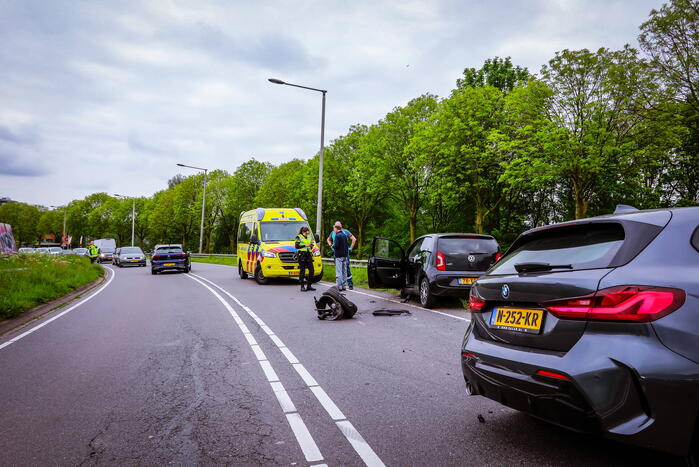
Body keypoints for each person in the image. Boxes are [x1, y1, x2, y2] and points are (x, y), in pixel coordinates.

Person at [327, 221, 357, 290]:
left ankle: (347, 284)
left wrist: (351, 248)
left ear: (338, 227)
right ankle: (344, 285)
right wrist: (330, 245)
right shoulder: (333, 233)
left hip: (341, 254)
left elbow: (354, 239)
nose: (334, 228)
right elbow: (328, 239)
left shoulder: (344, 232)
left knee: (341, 270)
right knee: (344, 270)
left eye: (335, 226)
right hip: (342, 254)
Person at [294, 226, 316, 292]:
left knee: (312, 270)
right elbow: (297, 246)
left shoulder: (309, 236)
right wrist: (305, 245)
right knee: (302, 271)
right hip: (302, 255)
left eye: (308, 233)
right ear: (303, 232)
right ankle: (302, 286)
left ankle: (309, 285)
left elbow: (311, 244)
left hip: (308, 254)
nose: (307, 234)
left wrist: (311, 246)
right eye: (306, 233)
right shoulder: (298, 237)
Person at [331, 225, 350, 291]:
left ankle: (339, 286)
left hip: (338, 256)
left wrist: (332, 246)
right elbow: (347, 245)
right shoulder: (344, 235)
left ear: (336, 229)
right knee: (344, 271)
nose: (333, 230)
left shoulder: (337, 236)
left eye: (334, 229)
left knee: (339, 272)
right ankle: (344, 285)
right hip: (345, 256)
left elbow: (336, 245)